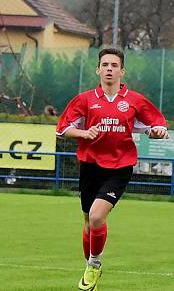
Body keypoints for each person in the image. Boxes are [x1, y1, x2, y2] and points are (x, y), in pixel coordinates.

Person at [56, 48, 168, 291]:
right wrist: (84, 133)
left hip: (120, 167)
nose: (109, 69)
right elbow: (62, 129)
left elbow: (156, 124)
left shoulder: (135, 101)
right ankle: (90, 266)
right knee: (88, 220)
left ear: (121, 71)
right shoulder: (84, 100)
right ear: (98, 69)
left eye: (114, 65)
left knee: (97, 216)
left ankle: (94, 264)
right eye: (105, 64)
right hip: (90, 165)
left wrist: (158, 131)